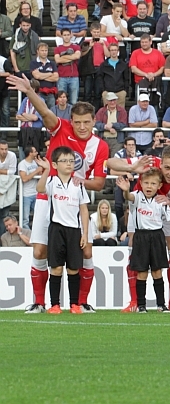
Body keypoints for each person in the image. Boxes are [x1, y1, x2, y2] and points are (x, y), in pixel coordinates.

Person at [8, 74, 109, 314]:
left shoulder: (100, 146)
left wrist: (81, 181)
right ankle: (40, 303)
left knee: (85, 251)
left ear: (94, 121)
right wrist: (30, 92)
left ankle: (81, 302)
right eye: (77, 122)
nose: (82, 127)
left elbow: (99, 182)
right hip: (48, 198)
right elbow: (44, 112)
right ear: (71, 121)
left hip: (76, 201)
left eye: (87, 122)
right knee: (40, 251)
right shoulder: (60, 128)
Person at [36, 145, 90, 314]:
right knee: (56, 268)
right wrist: (45, 171)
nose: (68, 164)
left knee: (73, 268)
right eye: (64, 161)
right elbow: (39, 189)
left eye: (71, 161)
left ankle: (74, 304)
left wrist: (85, 233)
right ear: (55, 164)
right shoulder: (52, 182)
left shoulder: (78, 185)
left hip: (74, 230)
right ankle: (55, 305)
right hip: (56, 229)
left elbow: (84, 210)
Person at [118, 167, 170, 313]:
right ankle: (141, 305)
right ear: (141, 183)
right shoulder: (137, 197)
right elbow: (128, 197)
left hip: (157, 237)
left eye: (153, 184)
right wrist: (125, 190)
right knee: (141, 273)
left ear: (159, 186)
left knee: (157, 272)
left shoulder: (161, 201)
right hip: (141, 237)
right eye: (146, 183)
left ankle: (161, 305)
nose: (149, 186)